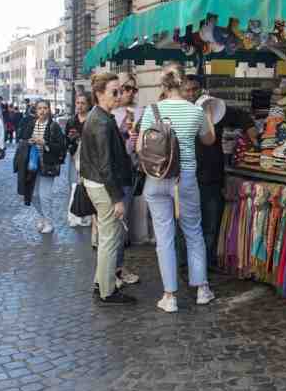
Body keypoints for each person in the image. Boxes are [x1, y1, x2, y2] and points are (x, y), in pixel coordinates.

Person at [139, 65, 216, 313]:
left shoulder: (152, 110)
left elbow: (141, 146)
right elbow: (208, 140)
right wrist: (209, 119)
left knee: (164, 237)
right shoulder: (195, 111)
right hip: (185, 179)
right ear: (183, 83)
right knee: (193, 231)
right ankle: (202, 289)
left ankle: (170, 296)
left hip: (157, 179)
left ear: (163, 85)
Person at [182, 74, 258, 267]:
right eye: (187, 89)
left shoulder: (211, 107)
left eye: (194, 89)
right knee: (186, 223)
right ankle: (185, 262)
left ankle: (205, 263)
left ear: (201, 90)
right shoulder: (178, 111)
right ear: (181, 92)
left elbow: (241, 116)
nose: (191, 93)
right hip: (186, 177)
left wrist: (253, 136)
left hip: (211, 176)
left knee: (210, 223)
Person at [81, 72, 135, 305]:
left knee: (106, 236)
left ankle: (100, 282)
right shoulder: (101, 121)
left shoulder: (100, 116)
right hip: (103, 186)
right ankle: (107, 290)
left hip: (96, 183)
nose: (120, 95)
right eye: (115, 91)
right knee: (110, 238)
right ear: (99, 94)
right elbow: (105, 166)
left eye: (120, 90)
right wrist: (117, 199)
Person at [15, 100, 66, 234]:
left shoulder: (53, 126)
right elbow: (23, 139)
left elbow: (61, 147)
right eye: (39, 108)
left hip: (48, 165)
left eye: (45, 108)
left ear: (49, 110)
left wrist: (45, 143)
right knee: (34, 195)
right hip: (33, 164)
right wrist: (29, 141)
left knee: (45, 195)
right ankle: (43, 217)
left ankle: (49, 222)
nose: (42, 111)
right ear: (36, 111)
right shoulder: (31, 124)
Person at [111, 74, 141, 285]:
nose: (129, 92)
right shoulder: (108, 114)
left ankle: (117, 267)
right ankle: (113, 270)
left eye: (132, 88)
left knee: (121, 224)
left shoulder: (142, 111)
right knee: (113, 225)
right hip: (113, 175)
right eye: (125, 88)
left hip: (131, 172)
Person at [65, 92, 93, 229]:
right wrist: (72, 140)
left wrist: (82, 137)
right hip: (75, 155)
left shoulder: (92, 119)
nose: (80, 106)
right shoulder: (71, 121)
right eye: (78, 103)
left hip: (90, 157)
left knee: (88, 185)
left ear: (89, 105)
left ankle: (87, 215)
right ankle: (75, 214)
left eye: (83, 103)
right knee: (75, 185)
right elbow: (66, 139)